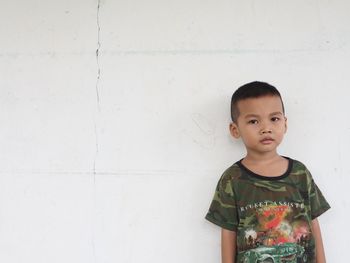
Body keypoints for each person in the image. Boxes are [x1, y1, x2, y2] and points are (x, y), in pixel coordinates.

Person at [205, 81, 330, 263]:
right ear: (235, 129)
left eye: (274, 119)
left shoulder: (300, 173)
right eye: (254, 121)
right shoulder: (232, 179)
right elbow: (228, 232)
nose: (266, 128)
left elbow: (314, 223)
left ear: (285, 124)